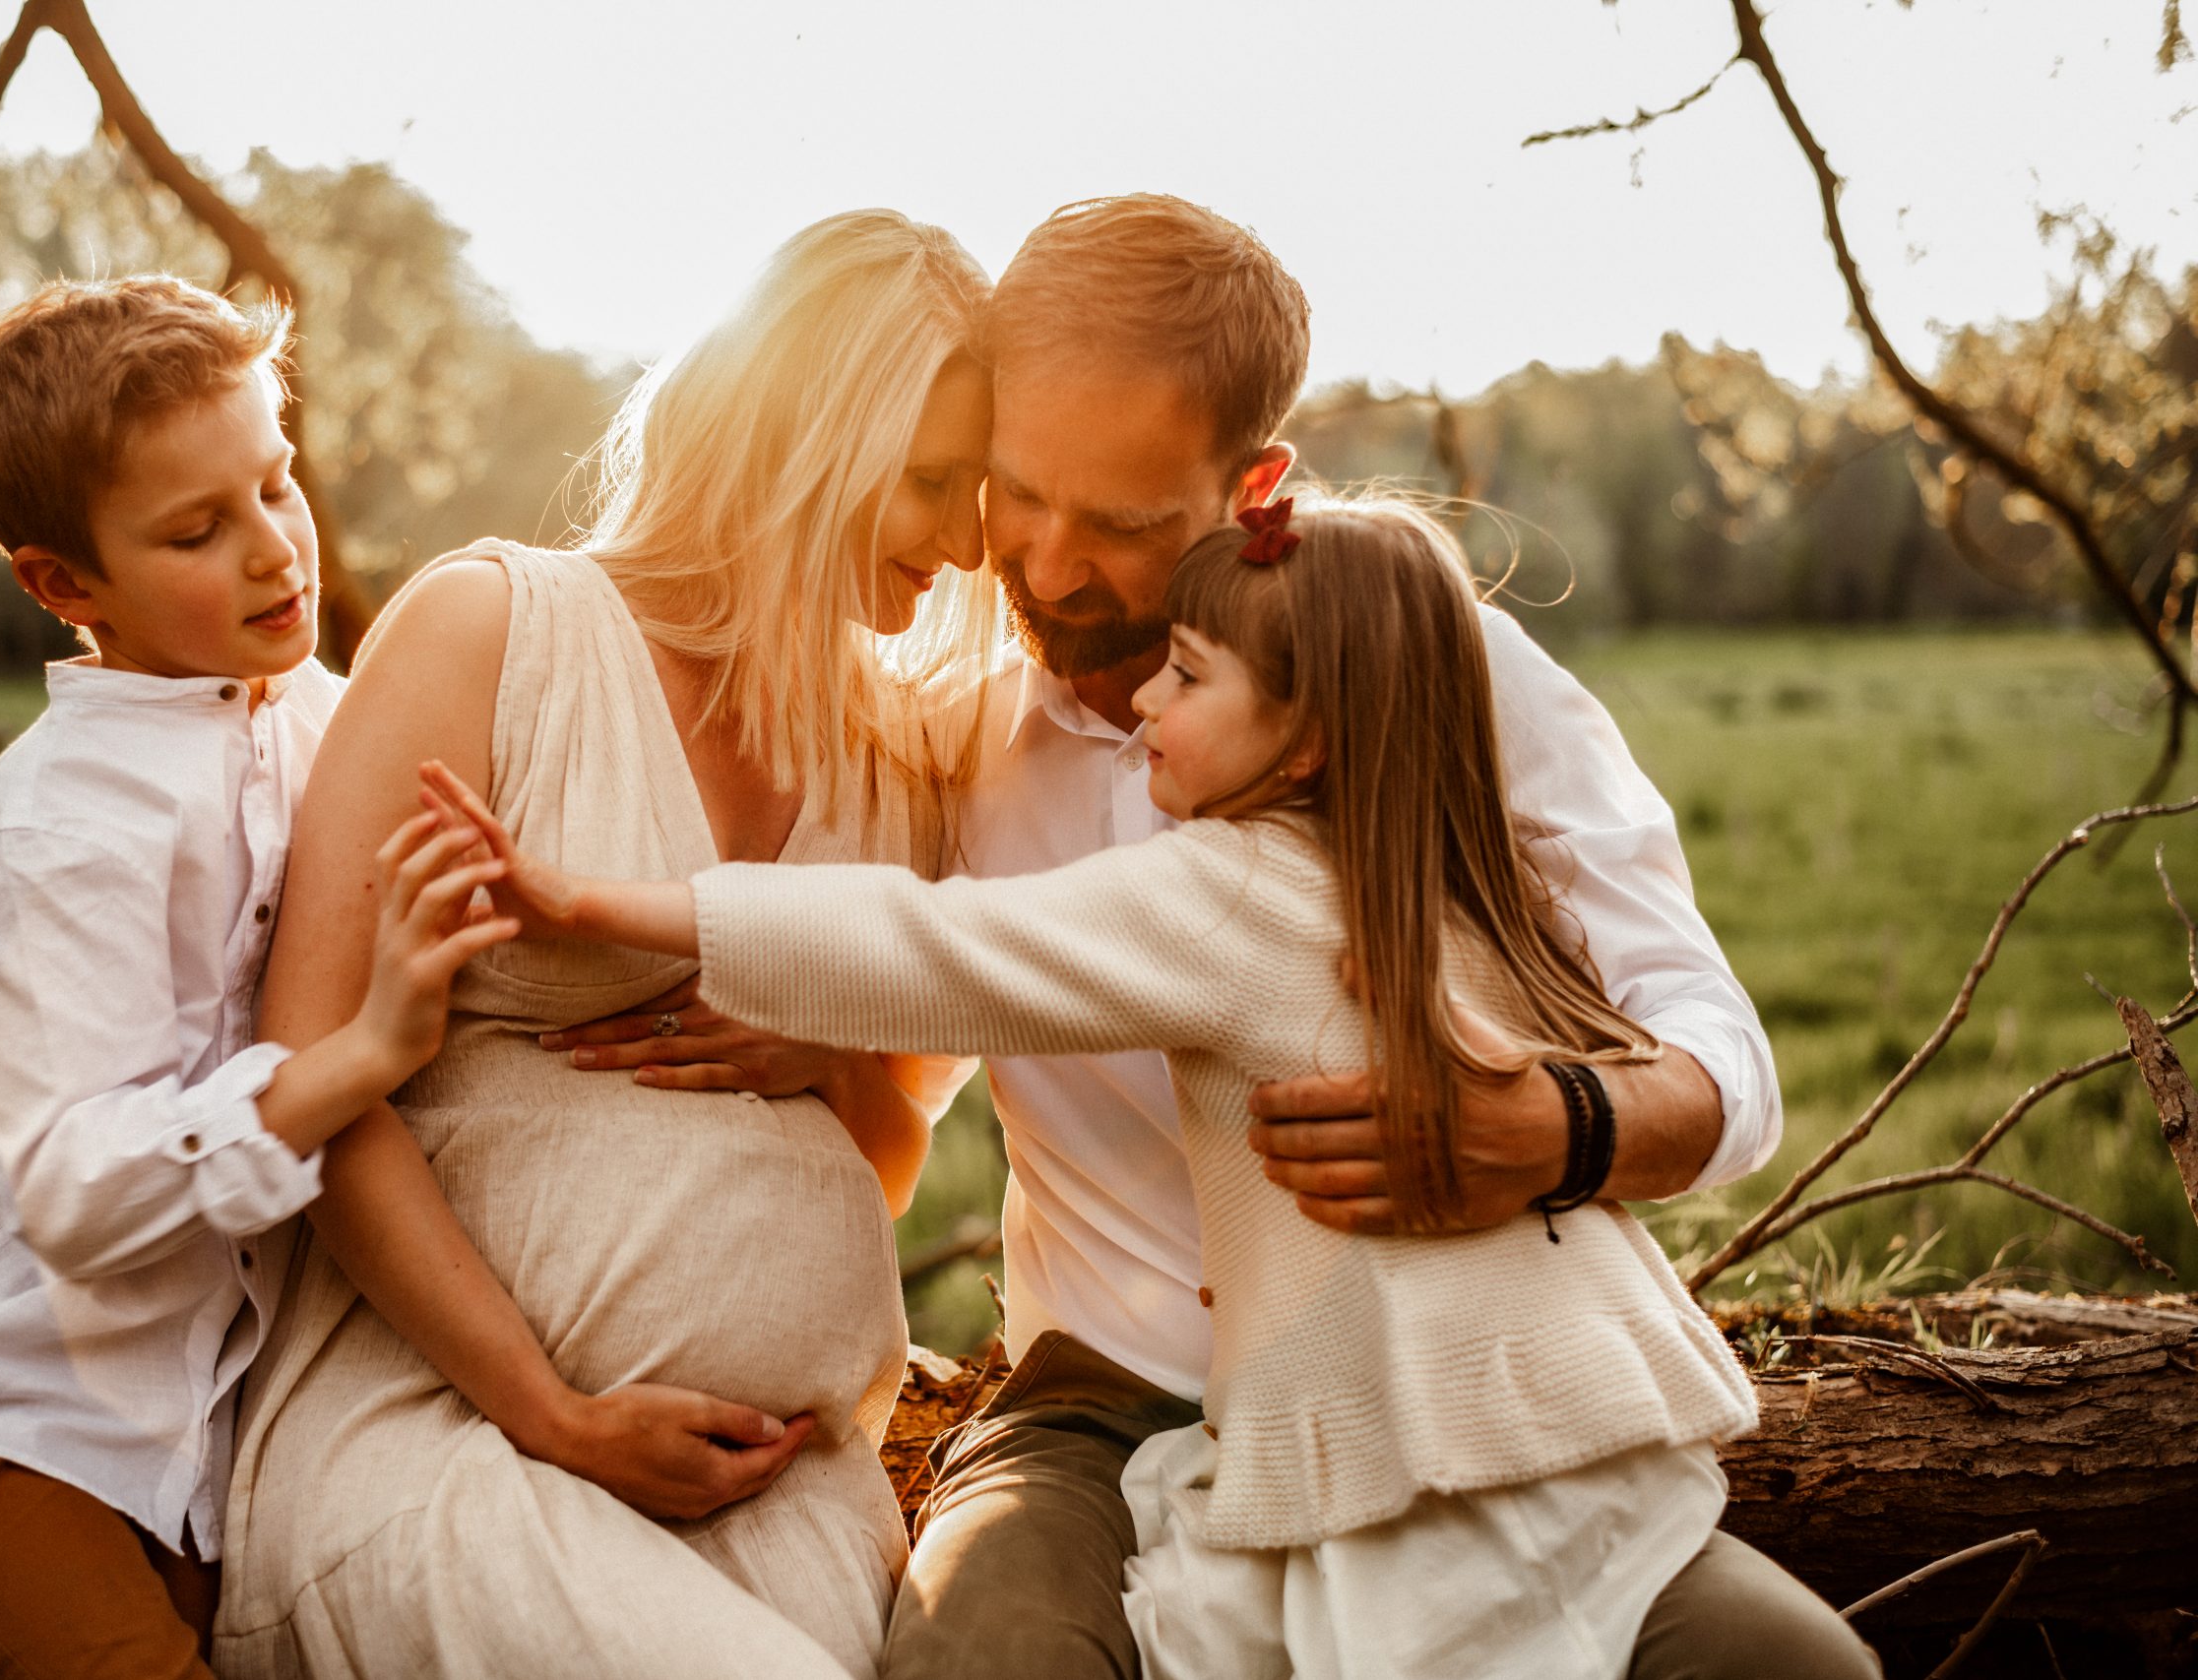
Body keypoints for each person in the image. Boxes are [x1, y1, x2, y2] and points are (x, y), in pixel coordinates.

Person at [575, 193, 1847, 1678]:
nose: (1044, 572)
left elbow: (1721, 1057)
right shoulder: (951, 739)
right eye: (1015, 497)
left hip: (1425, 1369)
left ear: (1257, 488)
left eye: (1116, 525)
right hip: (1097, 1406)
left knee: (1790, 1670)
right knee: (978, 1657)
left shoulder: (1444, 678)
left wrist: (1549, 1128)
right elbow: (911, 971)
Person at [211, 211, 997, 1679]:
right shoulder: (497, 630)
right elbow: (307, 1075)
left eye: (981, 489)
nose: (964, 544)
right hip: (453, 1433)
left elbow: (885, 1164)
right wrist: (551, 1412)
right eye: (931, 481)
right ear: (805, 435)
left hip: (778, 1482)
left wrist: (829, 1060)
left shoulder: (902, 764)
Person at [0, 276, 520, 1680]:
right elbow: (71, 1192)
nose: (273, 551)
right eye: (198, 529)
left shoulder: (315, 717)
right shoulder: (69, 826)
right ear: (65, 586)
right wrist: (355, 1058)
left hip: (192, 1421)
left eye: (277, 484)